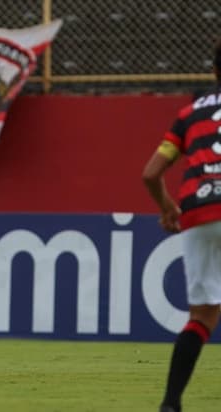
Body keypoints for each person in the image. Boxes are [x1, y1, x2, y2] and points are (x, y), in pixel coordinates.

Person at [142, 40, 221, 412]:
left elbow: (151, 173)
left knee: (202, 317)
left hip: (197, 209)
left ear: (214, 72)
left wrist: (167, 207)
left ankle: (171, 403)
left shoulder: (190, 114)